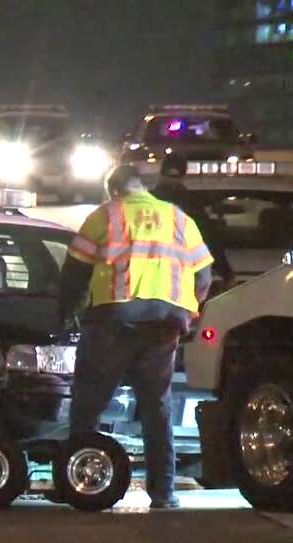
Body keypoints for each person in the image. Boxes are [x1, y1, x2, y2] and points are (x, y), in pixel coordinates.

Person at [58, 165, 214, 509]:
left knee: (89, 405)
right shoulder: (178, 219)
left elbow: (74, 273)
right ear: (143, 187)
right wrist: (188, 310)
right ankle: (163, 494)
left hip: (113, 320)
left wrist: (64, 313)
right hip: (164, 324)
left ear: (112, 190)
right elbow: (204, 275)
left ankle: (78, 481)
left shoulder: (105, 216)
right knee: (157, 409)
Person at [150, 153, 235, 289]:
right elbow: (207, 241)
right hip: (180, 282)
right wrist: (226, 273)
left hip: (146, 283)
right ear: (184, 175)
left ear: (160, 173)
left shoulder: (143, 204)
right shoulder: (191, 205)